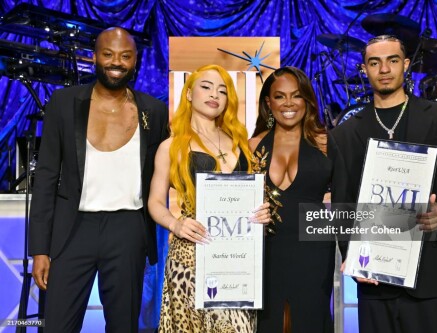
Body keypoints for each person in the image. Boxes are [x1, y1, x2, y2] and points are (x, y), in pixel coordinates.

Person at [330, 35, 437, 333]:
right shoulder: (343, 136)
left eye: (392, 60)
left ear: (406, 65)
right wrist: (354, 259)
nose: (384, 69)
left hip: (433, 277)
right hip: (376, 280)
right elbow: (343, 205)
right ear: (364, 69)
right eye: (375, 62)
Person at [28, 27, 169, 332]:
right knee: (57, 325)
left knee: (123, 326)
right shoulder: (64, 103)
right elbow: (46, 177)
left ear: (136, 61)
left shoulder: (154, 112)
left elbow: (165, 171)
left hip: (128, 230)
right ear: (94, 57)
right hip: (72, 229)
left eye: (125, 56)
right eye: (108, 54)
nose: (116, 62)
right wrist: (40, 249)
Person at [148, 64, 270, 332]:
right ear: (189, 93)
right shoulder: (171, 146)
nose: (214, 94)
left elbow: (254, 196)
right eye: (206, 86)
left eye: (222, 90)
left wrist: (262, 211)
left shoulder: (241, 144)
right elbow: (155, 202)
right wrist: (175, 224)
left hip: (236, 258)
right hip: (190, 257)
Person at [249, 66, 335, 333]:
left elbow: (347, 195)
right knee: (269, 323)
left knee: (309, 319)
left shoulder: (326, 143)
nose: (288, 104)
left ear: (306, 100)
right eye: (279, 96)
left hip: (313, 250)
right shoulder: (251, 146)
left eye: (296, 96)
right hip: (265, 250)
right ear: (268, 102)